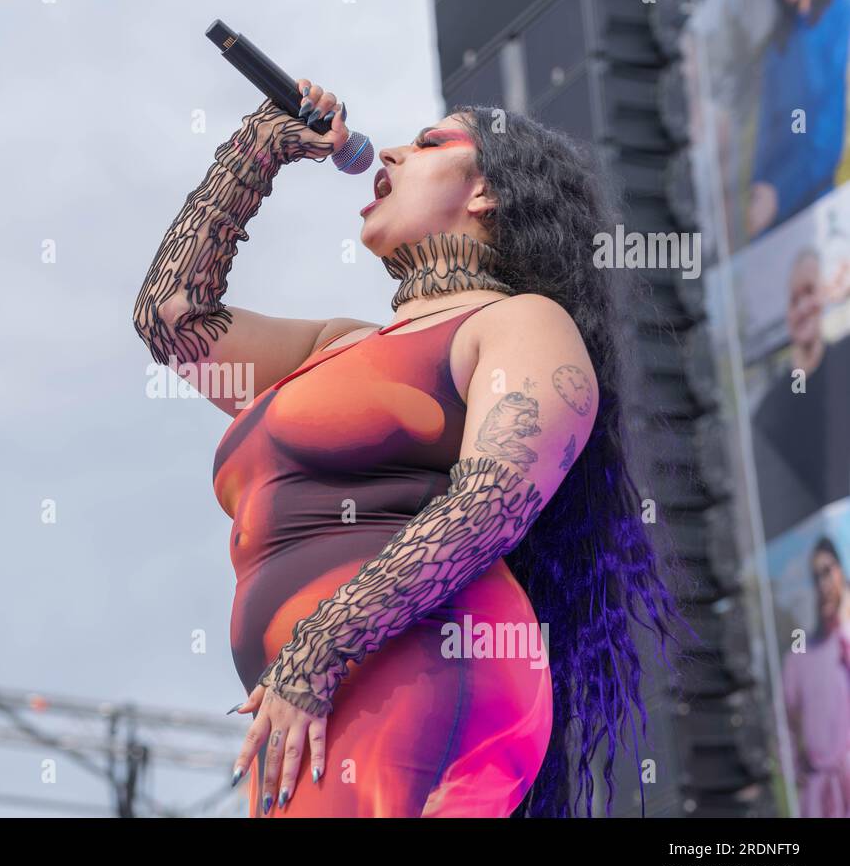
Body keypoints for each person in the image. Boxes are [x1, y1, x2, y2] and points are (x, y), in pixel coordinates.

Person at [133, 82, 687, 817]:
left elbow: (490, 504)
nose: (391, 151)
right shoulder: (335, 346)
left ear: (488, 192)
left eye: (430, 144)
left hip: (417, 668)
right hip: (333, 689)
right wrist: (260, 146)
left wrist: (316, 650)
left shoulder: (522, 322)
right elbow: (173, 321)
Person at [748, 0, 850, 239]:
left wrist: (779, 191)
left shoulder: (840, 16)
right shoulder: (778, 46)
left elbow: (829, 126)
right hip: (773, 214)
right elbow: (768, 130)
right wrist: (761, 186)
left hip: (816, 202)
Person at [752, 247, 850, 537]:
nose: (804, 306)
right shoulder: (772, 409)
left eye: (811, 292)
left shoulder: (845, 356)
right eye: (795, 299)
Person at [781, 537, 850, 816]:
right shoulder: (800, 657)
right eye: (815, 577)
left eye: (827, 571)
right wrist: (796, 771)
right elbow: (782, 724)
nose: (823, 585)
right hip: (820, 795)